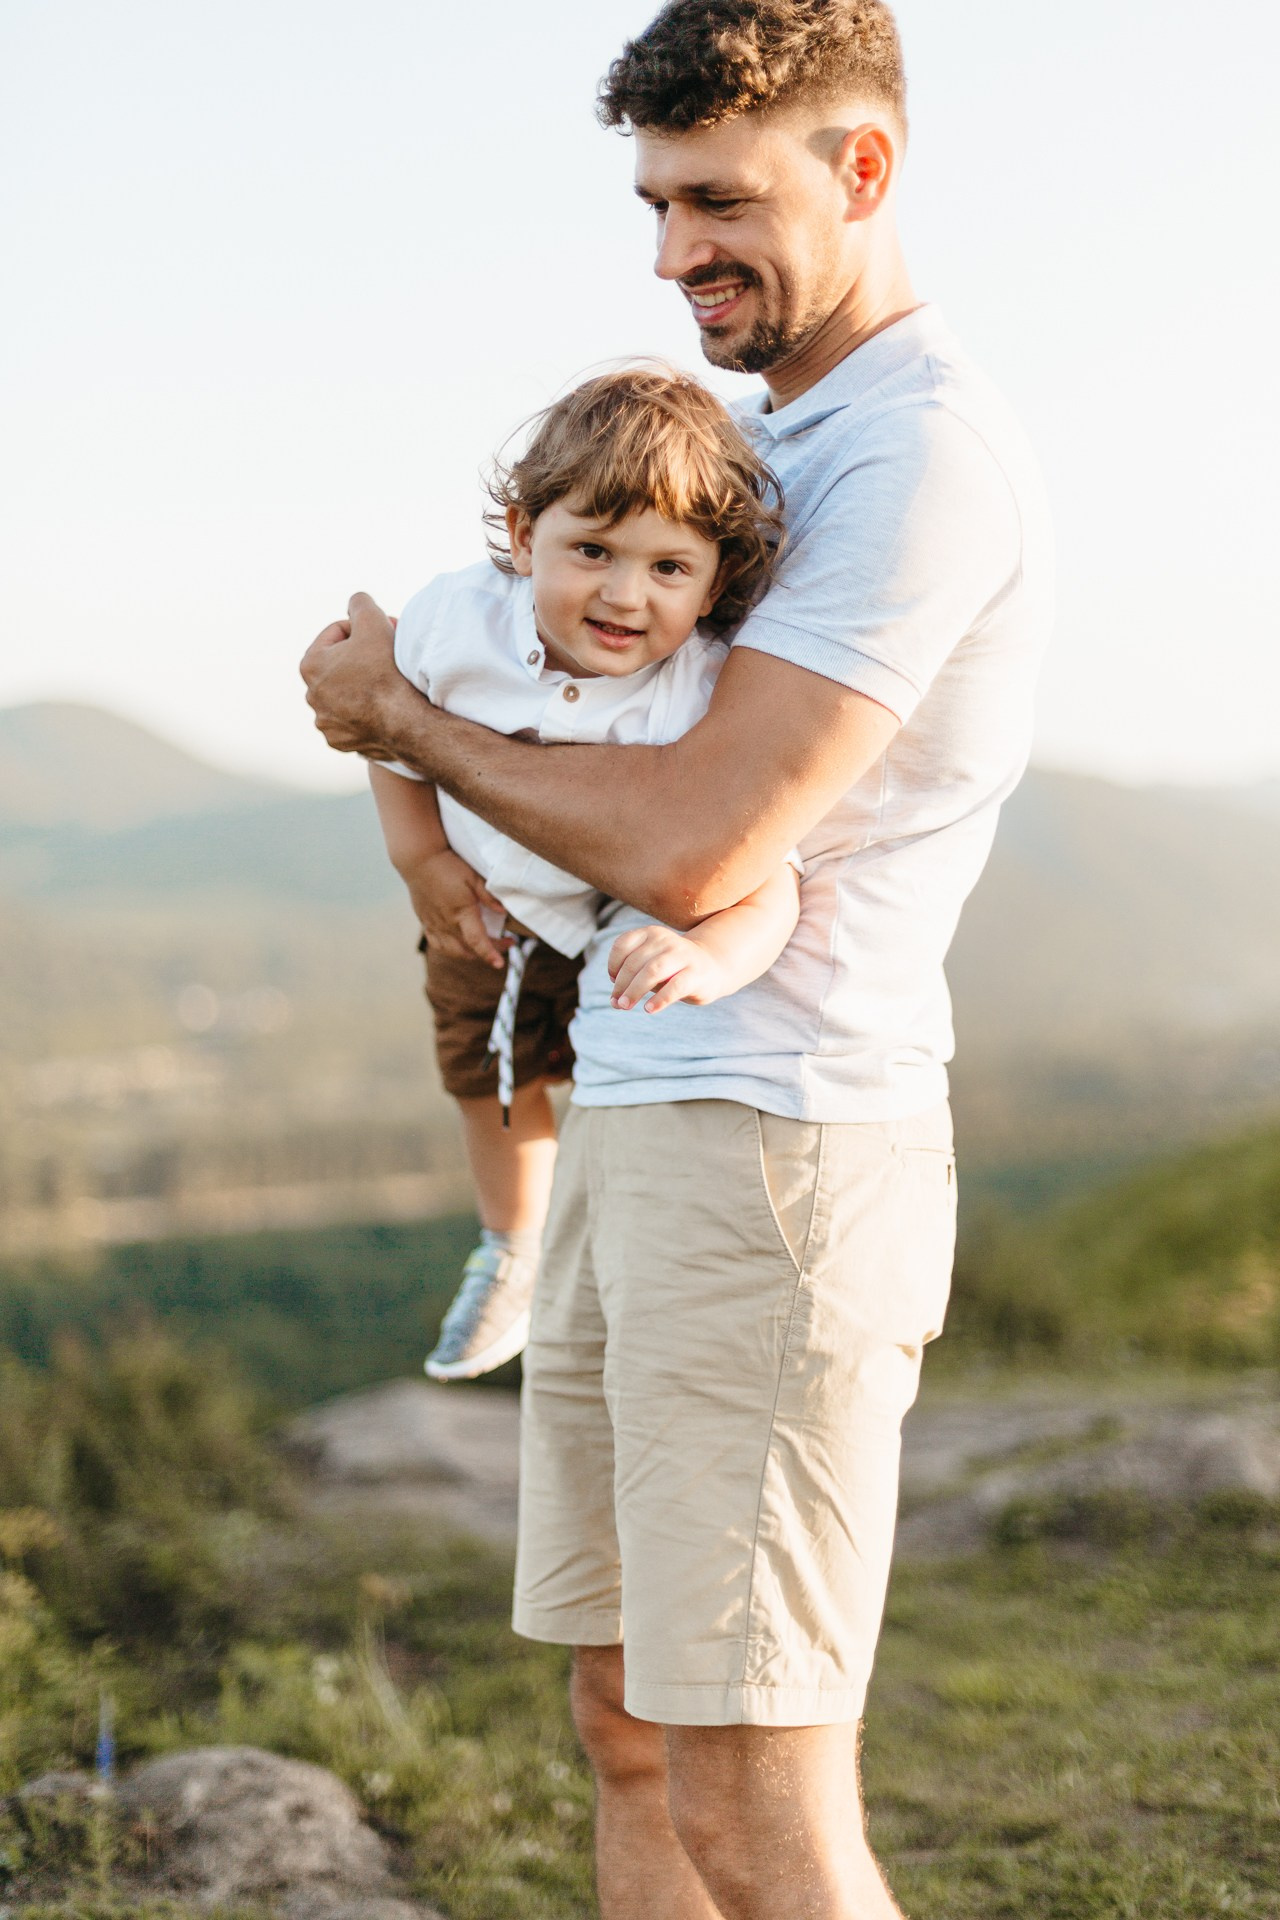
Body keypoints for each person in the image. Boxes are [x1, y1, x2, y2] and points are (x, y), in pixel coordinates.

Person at [301, 2, 1054, 1914]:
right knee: (630, 1735)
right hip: (641, 1123)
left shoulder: (918, 455)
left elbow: (701, 836)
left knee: (754, 1802)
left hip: (780, 1152)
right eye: (653, 204)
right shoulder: (763, 441)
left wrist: (408, 723)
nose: (669, 253)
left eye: (716, 198)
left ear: (861, 170)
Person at [367, 366, 795, 1380]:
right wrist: (421, 861)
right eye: (591, 551)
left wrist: (708, 955)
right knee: (488, 1080)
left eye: (666, 569)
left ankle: (589, 1268)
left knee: (617, 1106)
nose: (621, 594)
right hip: (487, 915)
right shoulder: (450, 623)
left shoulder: (698, 688)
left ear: (712, 579)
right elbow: (385, 742)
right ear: (523, 537)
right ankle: (510, 1247)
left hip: (617, 925)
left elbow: (765, 872)